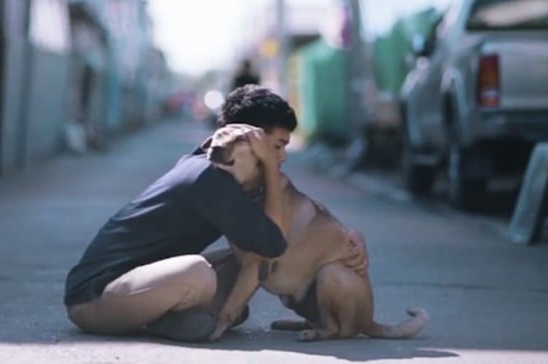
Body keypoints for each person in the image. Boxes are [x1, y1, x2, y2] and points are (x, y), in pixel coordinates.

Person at [64, 85, 368, 342]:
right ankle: (170, 320)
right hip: (95, 296)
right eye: (276, 147)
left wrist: (348, 239)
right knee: (199, 274)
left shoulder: (233, 171)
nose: (282, 157)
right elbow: (273, 242)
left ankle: (185, 315)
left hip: (145, 283)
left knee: (243, 271)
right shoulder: (211, 177)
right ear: (252, 142)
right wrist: (272, 171)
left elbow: (294, 223)